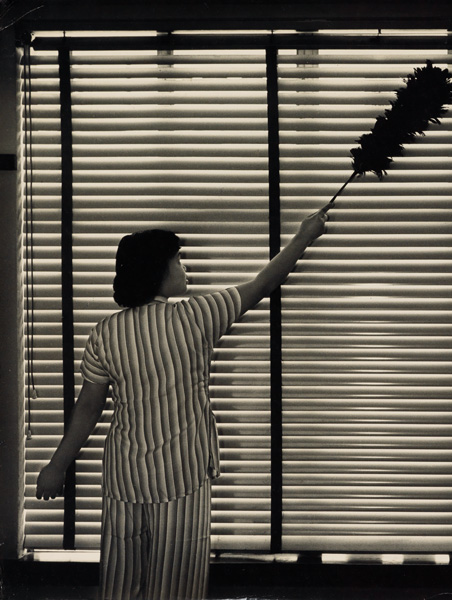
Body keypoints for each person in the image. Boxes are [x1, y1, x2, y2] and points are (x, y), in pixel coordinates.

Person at [35, 205, 329, 600]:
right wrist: (304, 237)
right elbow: (263, 284)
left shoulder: (104, 333)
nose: (184, 268)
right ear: (159, 270)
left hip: (126, 475)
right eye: (178, 261)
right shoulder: (198, 316)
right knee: (176, 586)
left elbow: (89, 408)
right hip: (183, 475)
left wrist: (57, 466)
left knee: (121, 585)